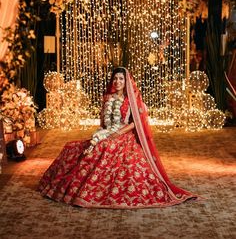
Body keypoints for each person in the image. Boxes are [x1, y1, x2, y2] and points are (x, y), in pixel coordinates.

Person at [38, 67, 201, 208]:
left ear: (126, 81)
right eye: (115, 78)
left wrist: (118, 133)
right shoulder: (107, 98)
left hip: (124, 134)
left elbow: (137, 122)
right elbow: (102, 121)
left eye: (121, 78)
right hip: (106, 132)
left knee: (107, 149)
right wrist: (101, 133)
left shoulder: (132, 100)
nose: (117, 81)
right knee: (77, 149)